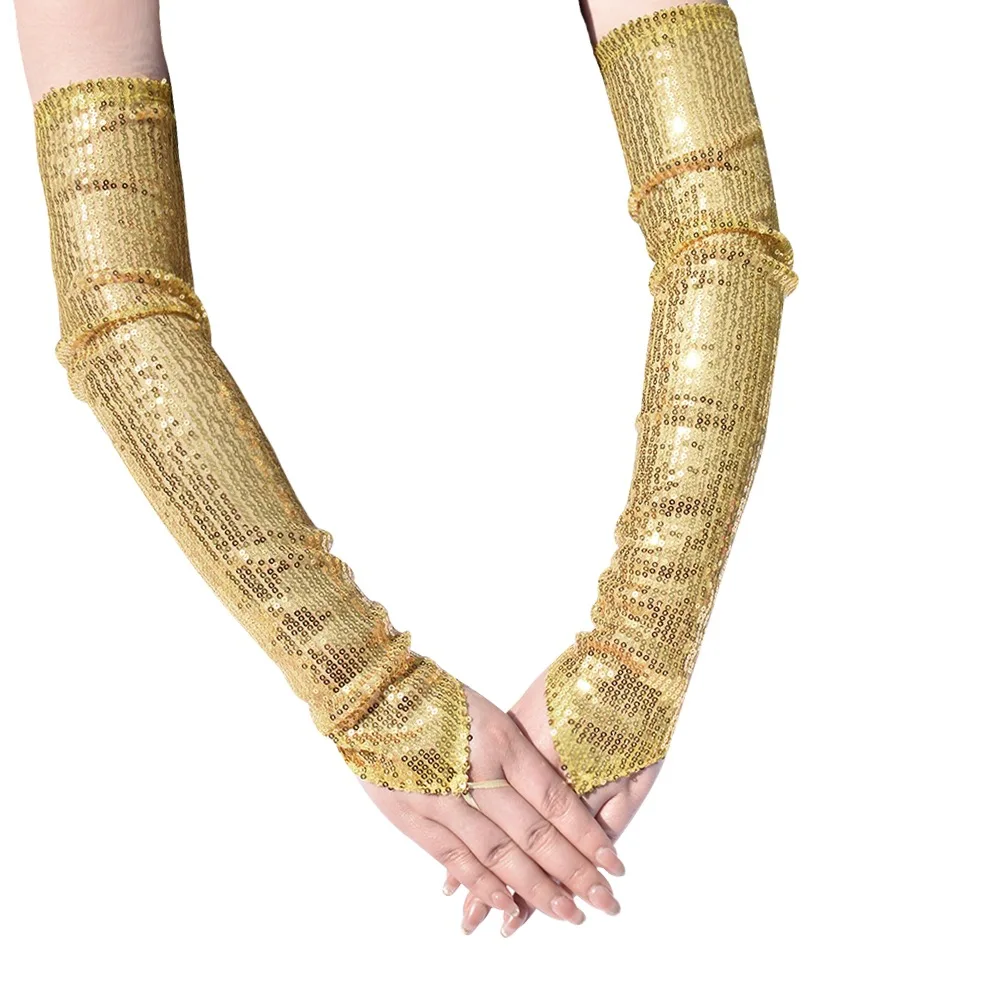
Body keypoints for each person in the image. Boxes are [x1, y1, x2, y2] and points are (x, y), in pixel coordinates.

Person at [16, 0, 793, 938]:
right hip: (257, 747)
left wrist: (641, 647)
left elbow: (721, 234)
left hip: (673, 723)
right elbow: (117, 317)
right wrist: (368, 687)